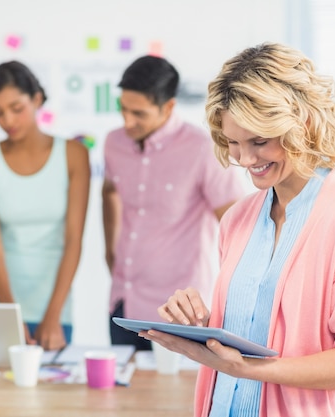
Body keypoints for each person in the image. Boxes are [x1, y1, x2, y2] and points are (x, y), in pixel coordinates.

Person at [141, 43, 335, 417]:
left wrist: (247, 368)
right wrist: (200, 326)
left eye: (259, 142)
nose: (245, 160)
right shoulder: (239, 219)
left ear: (304, 123)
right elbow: (259, 332)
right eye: (233, 143)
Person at [103, 55, 246, 351]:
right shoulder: (114, 144)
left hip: (179, 314)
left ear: (168, 107)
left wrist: (231, 303)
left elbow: (238, 227)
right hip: (123, 305)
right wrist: (110, 251)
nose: (128, 121)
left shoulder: (202, 149)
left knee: (174, 397)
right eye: (123, 110)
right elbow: (109, 191)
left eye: (139, 113)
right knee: (120, 397)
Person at [0, 61, 90, 351]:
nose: (8, 120)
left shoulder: (74, 155)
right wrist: (11, 316)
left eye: (16, 108)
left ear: (36, 100)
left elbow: (73, 240)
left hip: (55, 309)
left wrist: (53, 315)